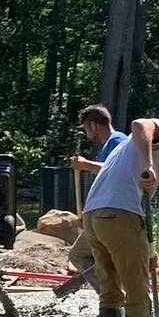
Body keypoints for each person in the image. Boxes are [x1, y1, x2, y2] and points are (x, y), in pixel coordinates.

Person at [79, 115, 159, 317]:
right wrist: (150, 166)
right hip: (119, 213)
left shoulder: (126, 151)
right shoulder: (149, 133)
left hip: (95, 215)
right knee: (137, 288)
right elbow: (139, 124)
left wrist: (150, 248)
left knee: (110, 290)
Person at [66, 102, 128, 283]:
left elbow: (117, 169)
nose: (87, 134)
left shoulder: (118, 140)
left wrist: (85, 164)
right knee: (98, 258)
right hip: (101, 211)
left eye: (86, 128)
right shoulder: (109, 144)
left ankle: (111, 298)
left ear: (93, 125)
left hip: (110, 212)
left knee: (78, 255)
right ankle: (112, 296)